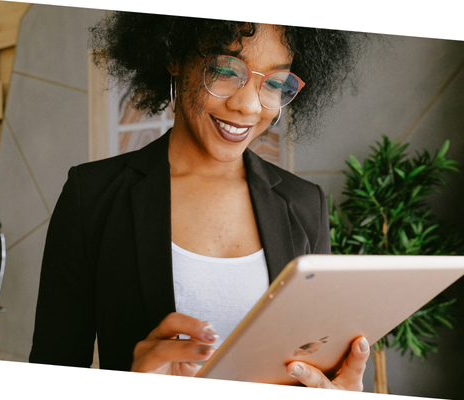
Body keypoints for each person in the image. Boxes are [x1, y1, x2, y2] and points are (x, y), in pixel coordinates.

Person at [29, 12, 369, 391]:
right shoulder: (91, 195)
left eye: (274, 82)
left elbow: (314, 361)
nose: (250, 106)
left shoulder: (305, 203)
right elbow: (49, 378)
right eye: (226, 70)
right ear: (174, 55)